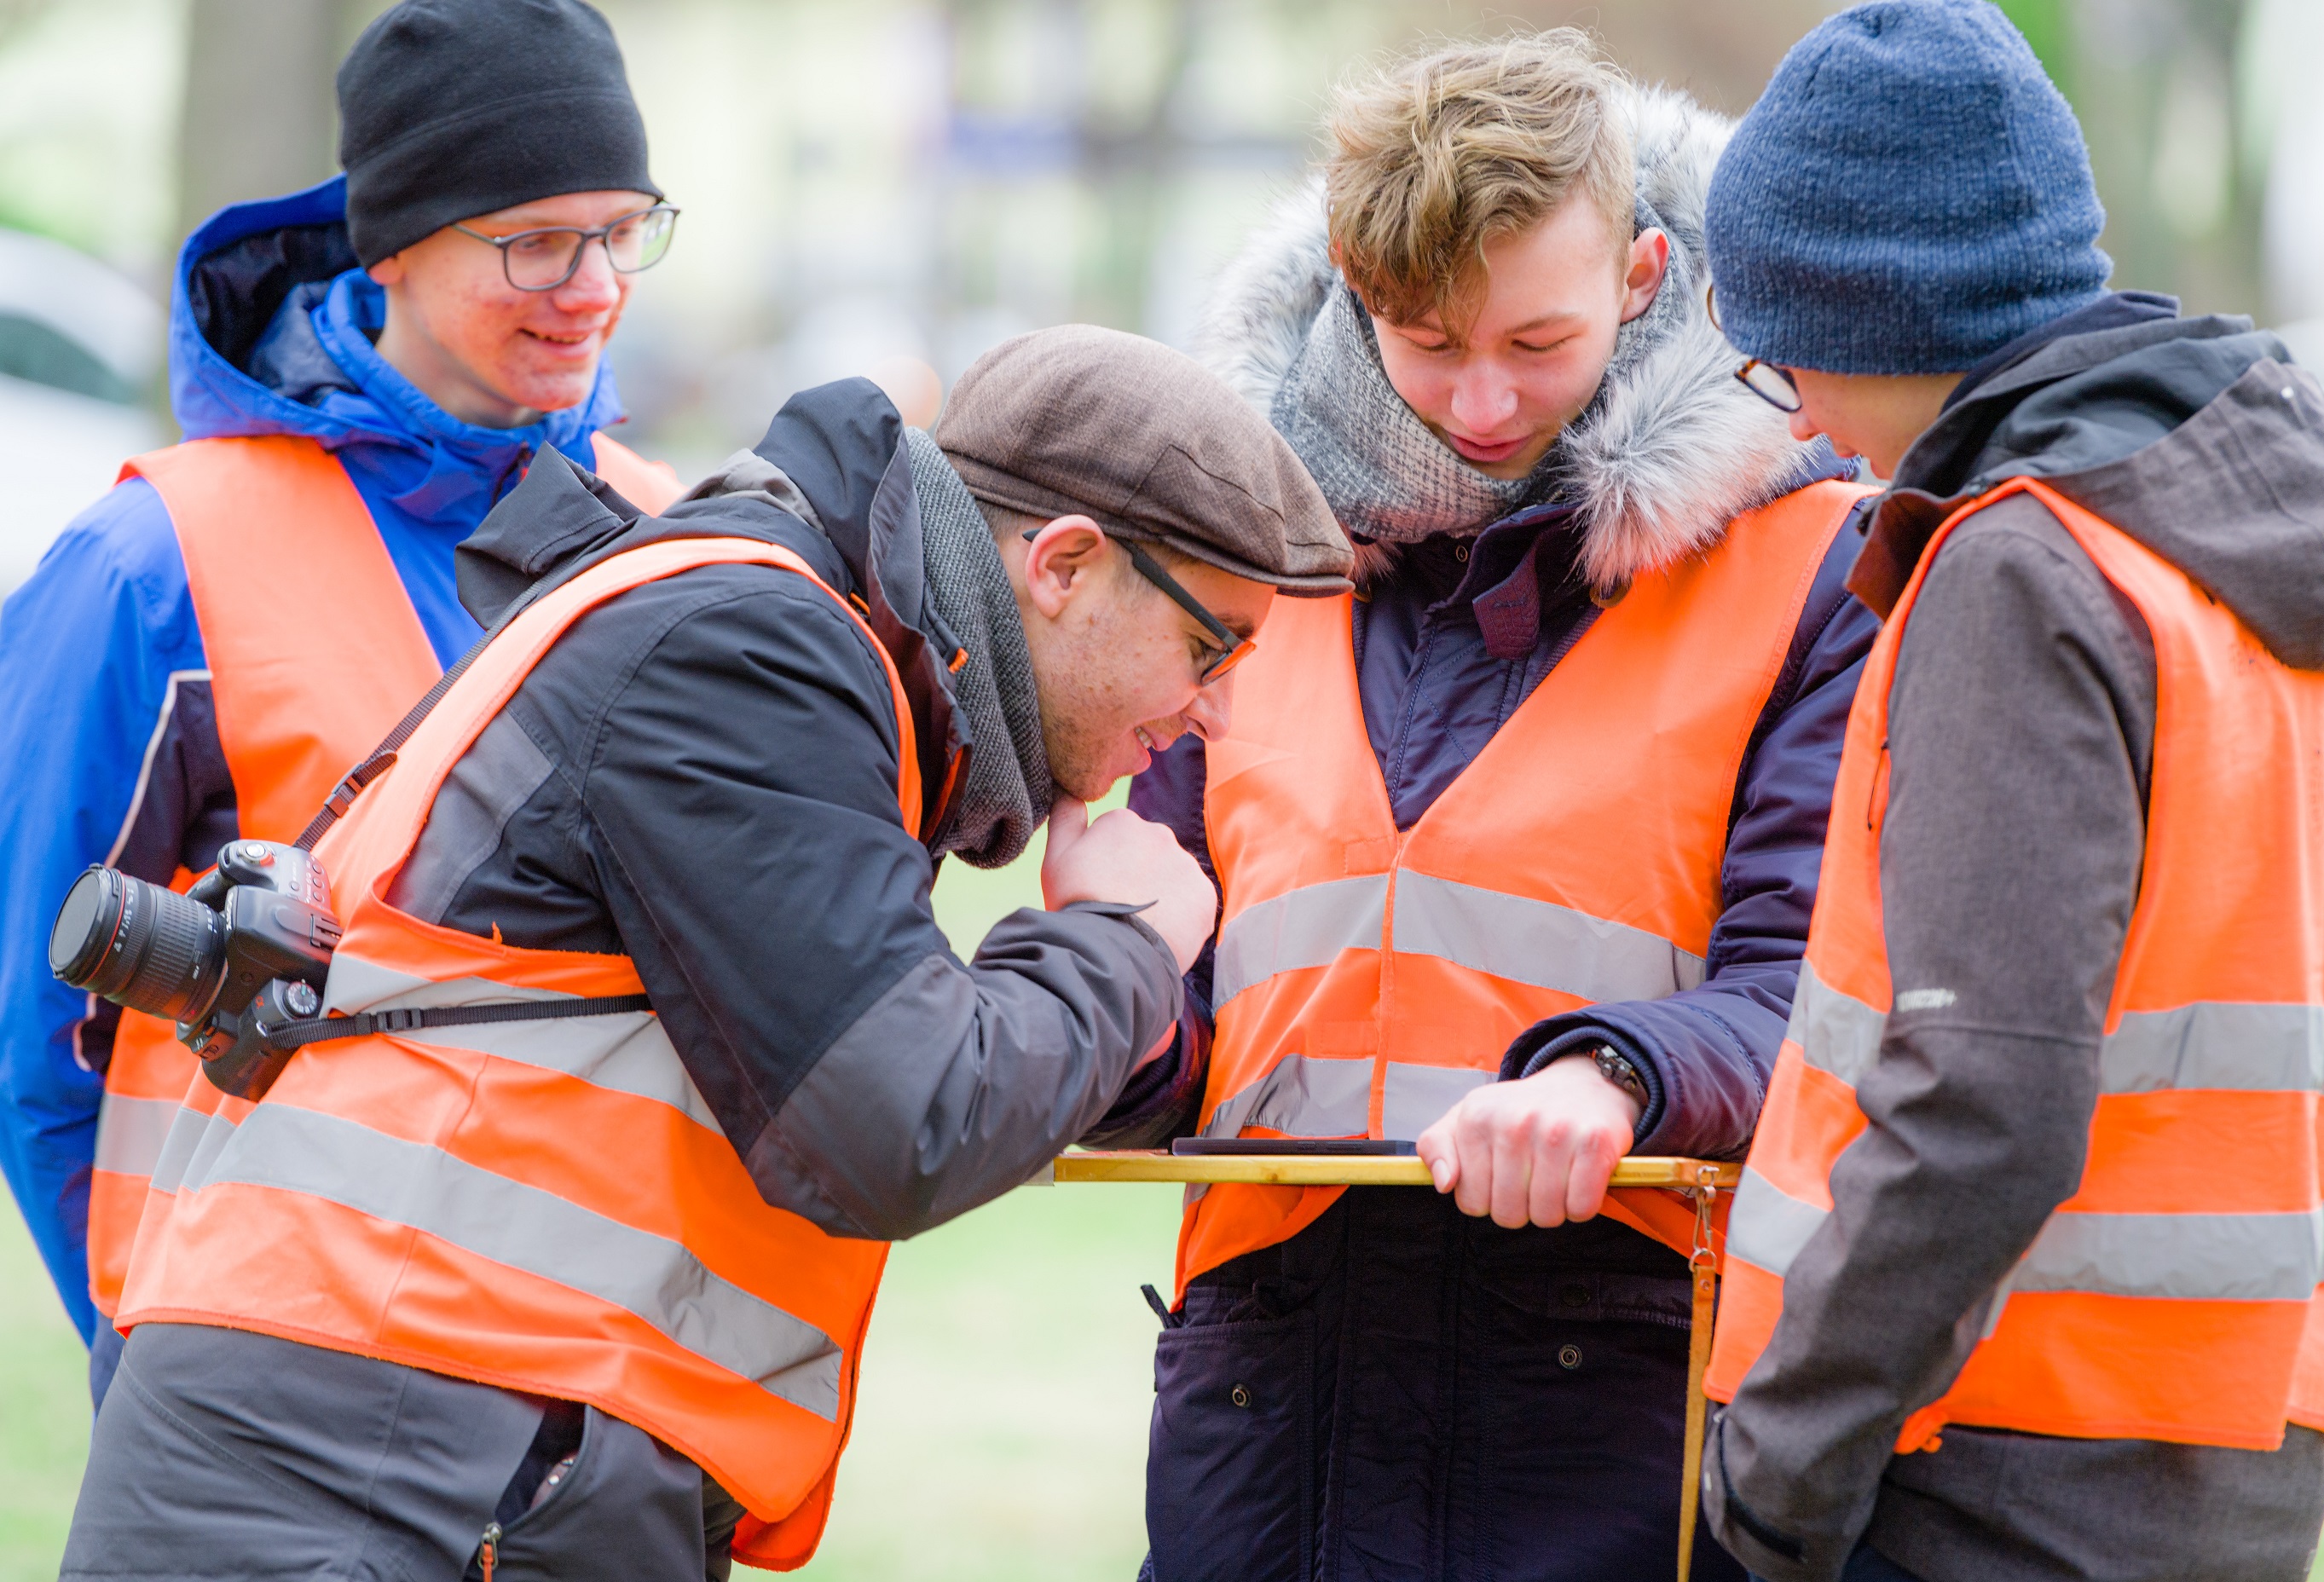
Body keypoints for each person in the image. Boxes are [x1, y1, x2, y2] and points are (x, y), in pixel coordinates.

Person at [61, 323, 1351, 1581]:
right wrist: (1122, 942)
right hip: (380, 1471)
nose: (1219, 709)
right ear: (1062, 565)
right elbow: (903, 1121)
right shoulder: (754, 647)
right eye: (1212, 646)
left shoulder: (790, 636)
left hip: (428, 1448)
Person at [1098, 30, 1877, 1579]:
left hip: (1614, 1407)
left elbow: (1827, 989)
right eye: (1426, 339)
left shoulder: (1817, 565)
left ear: (1646, 274)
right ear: (1348, 282)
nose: (1480, 400)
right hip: (1270, 1416)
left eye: (1538, 340)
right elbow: (1187, 1010)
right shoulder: (1240, 563)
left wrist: (1617, 1075)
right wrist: (1097, 999)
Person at [1691, 5, 2324, 1581]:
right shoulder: (2255, 560)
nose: (1796, 414)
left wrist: (1782, 1466)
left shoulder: (2024, 567)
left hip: (1974, 1463)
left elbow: (1980, 1100)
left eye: (1784, 355)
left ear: (1878, 315)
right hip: (2228, 1454)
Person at [0, 0, 684, 1406]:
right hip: (257, 1401)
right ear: (393, 245)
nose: (595, 287)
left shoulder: (670, 538)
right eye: (537, 242)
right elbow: (37, 1027)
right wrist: (150, 1379)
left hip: (593, 1407)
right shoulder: (152, 564)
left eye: (623, 231)